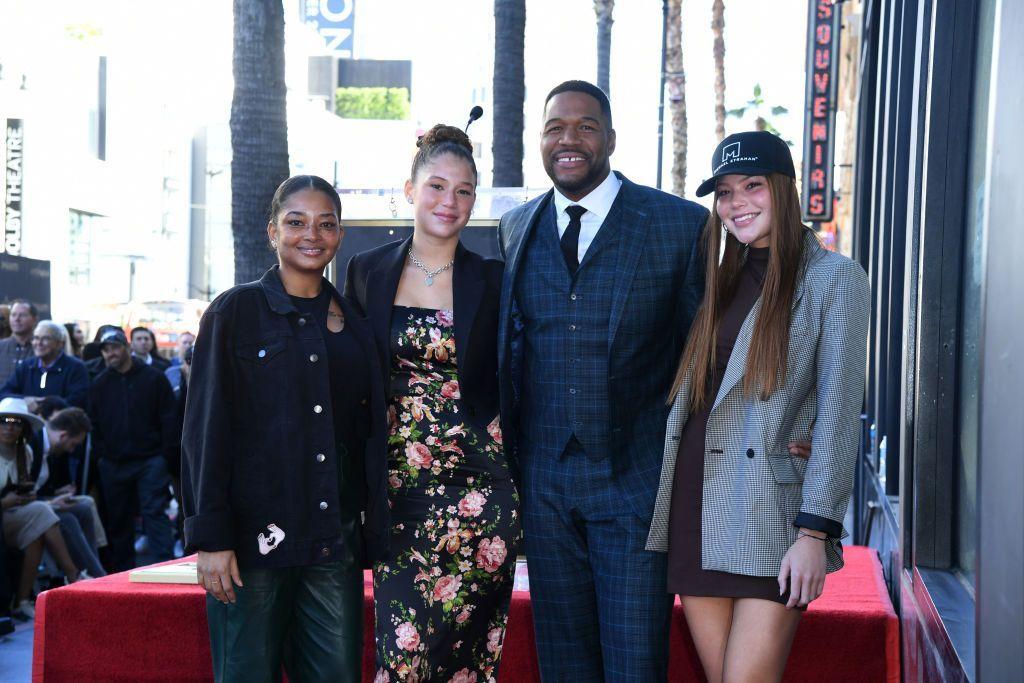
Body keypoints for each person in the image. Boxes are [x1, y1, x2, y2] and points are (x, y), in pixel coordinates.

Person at [496, 80, 708, 680]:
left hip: (635, 483)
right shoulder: (516, 229)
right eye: (555, 127)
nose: (569, 139)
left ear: (610, 138)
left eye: (585, 126)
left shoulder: (678, 224)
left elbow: (705, 358)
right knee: (563, 665)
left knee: (636, 664)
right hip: (544, 486)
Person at [645, 131, 871, 682]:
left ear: (784, 189)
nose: (736, 202)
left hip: (769, 512)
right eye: (724, 192)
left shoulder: (833, 277)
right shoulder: (717, 278)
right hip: (696, 503)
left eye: (752, 186)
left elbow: (840, 416)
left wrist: (814, 534)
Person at [182, 175, 388, 682]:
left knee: (337, 675)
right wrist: (210, 537)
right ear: (272, 231)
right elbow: (205, 430)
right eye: (296, 222)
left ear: (339, 235)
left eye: (326, 224)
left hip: (331, 540)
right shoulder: (235, 312)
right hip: (254, 540)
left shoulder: (355, 323)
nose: (311, 234)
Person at [347, 125, 521, 681]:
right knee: (405, 657)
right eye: (437, 186)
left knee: (467, 658)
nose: (450, 202)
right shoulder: (366, 271)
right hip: (399, 489)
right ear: (410, 189)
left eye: (464, 190)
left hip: (482, 489)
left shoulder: (496, 279)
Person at [88, 328, 176, 571]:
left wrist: (164, 456)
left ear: (127, 347)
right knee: (118, 520)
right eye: (106, 350)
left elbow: (169, 419)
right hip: (113, 462)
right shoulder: (100, 384)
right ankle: (122, 575)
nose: (110, 353)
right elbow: (93, 424)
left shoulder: (154, 378)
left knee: (154, 513)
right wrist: (103, 455)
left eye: (115, 347)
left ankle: (165, 569)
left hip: (150, 459)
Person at [0, 397, 85, 620]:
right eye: (4, 421)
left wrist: (28, 497)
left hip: (15, 514)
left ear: (23, 428)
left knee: (39, 529)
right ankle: (73, 575)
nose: (9, 427)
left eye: (16, 422)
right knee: (43, 513)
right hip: (5, 513)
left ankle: (22, 601)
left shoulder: (25, 453)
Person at [29, 406, 107, 578]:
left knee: (84, 507)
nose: (72, 450)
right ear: (63, 435)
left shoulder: (50, 446)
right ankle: (90, 575)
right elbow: (24, 491)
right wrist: (50, 502)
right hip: (25, 507)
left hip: (38, 503)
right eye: (73, 445)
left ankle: (94, 570)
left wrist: (55, 493)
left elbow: (38, 486)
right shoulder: (33, 442)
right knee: (67, 519)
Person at [0, 320, 89, 411]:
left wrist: (44, 405)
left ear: (60, 344)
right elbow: (4, 393)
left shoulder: (76, 367)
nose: (39, 343)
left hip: (61, 422)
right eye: (36, 338)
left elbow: (77, 401)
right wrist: (24, 400)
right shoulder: (27, 366)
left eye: (45, 338)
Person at [0, 301, 38, 387]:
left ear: (35, 319)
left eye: (23, 315)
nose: (17, 319)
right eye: (13, 315)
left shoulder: (42, 348)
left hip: (31, 399)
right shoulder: (1, 346)